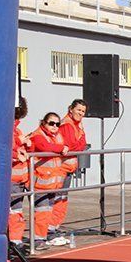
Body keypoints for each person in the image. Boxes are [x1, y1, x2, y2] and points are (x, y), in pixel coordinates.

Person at [49, 99, 88, 244]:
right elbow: (73, 146)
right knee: (57, 198)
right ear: (71, 109)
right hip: (61, 168)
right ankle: (50, 230)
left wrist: (80, 143)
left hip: (68, 168)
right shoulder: (67, 125)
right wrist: (81, 143)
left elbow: (81, 145)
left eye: (83, 111)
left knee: (62, 199)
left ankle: (54, 228)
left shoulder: (76, 126)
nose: (81, 114)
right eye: (78, 110)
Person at [29, 112, 68, 251]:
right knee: (42, 211)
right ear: (44, 123)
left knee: (49, 210)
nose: (54, 126)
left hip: (52, 183)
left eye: (57, 124)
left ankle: (45, 236)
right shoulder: (38, 135)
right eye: (51, 123)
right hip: (40, 182)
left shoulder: (56, 136)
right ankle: (38, 239)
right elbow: (43, 147)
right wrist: (60, 149)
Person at [9, 97, 32, 247]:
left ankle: (15, 240)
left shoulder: (16, 130)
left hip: (19, 178)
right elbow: (6, 147)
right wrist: (18, 154)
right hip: (12, 178)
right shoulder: (11, 129)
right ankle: (14, 241)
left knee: (15, 211)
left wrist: (25, 146)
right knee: (14, 211)